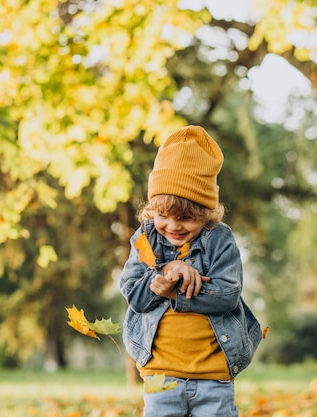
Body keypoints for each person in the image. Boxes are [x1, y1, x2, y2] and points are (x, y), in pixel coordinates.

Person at [119, 125, 262, 417]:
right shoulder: (144, 239)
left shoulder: (220, 239)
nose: (173, 226)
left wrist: (177, 292)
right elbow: (134, 292)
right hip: (161, 373)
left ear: (206, 212)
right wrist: (165, 275)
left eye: (185, 218)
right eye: (162, 215)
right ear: (151, 209)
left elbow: (228, 294)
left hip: (214, 375)